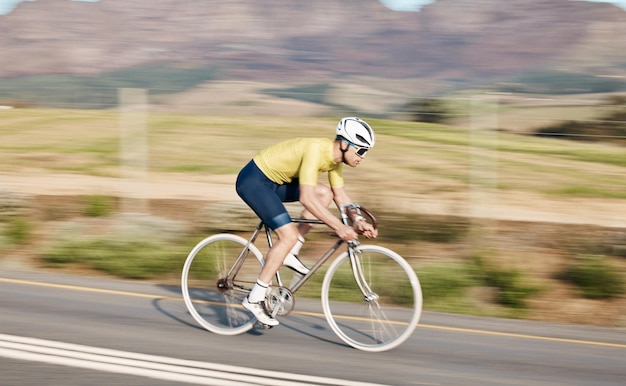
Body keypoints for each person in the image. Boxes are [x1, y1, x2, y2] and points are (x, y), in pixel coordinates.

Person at [235, 117, 379, 326]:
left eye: (366, 152)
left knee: (324, 193)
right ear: (345, 144)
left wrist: (357, 221)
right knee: (288, 234)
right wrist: (339, 227)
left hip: (276, 182)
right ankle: (255, 298)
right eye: (361, 150)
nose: (363, 157)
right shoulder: (316, 150)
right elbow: (306, 198)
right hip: (255, 180)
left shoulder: (335, 162)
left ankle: (292, 251)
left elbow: (341, 197)